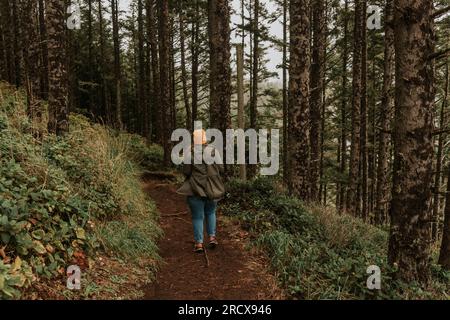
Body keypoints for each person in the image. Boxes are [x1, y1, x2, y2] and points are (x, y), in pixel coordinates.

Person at [177, 129, 225, 253]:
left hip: (195, 189)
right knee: (211, 212)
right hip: (212, 188)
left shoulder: (190, 153)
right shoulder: (214, 151)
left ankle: (199, 244)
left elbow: (186, 172)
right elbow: (221, 168)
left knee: (198, 217)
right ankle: (212, 237)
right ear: (205, 139)